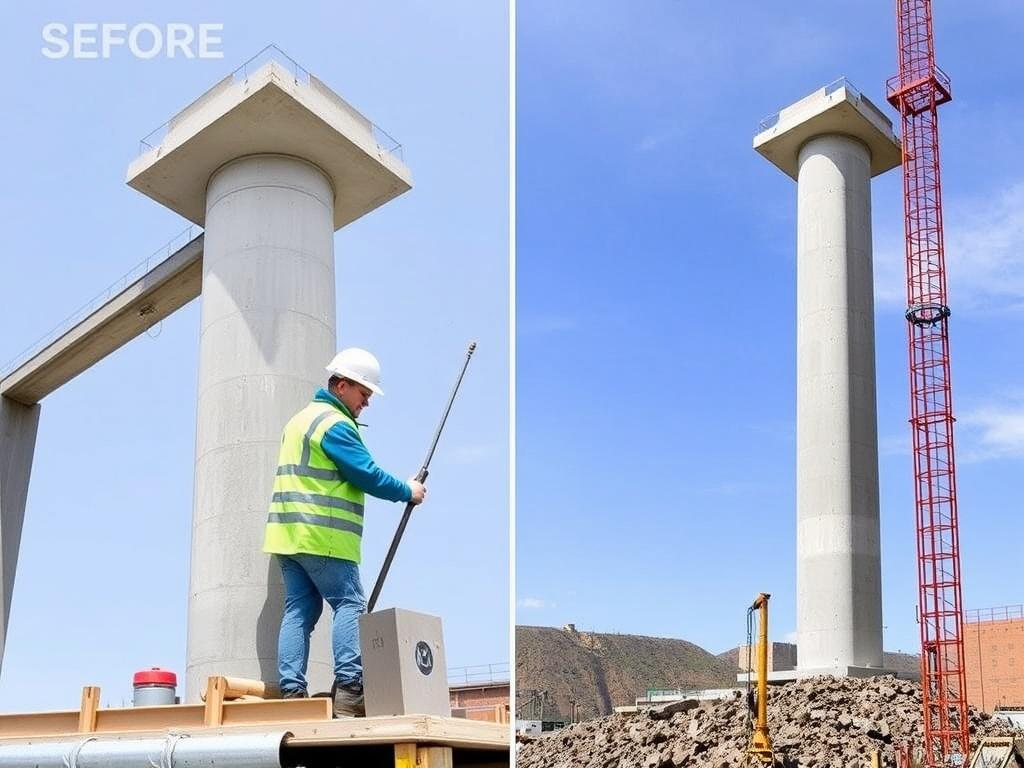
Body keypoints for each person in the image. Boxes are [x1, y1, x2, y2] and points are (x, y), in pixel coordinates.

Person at [263, 347, 426, 717]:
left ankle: (292, 694)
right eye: (363, 394)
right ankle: (351, 692)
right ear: (341, 385)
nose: (366, 403)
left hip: (287, 536)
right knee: (350, 603)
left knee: (299, 609)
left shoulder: (300, 419)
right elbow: (365, 473)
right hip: (324, 534)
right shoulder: (334, 424)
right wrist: (407, 490)